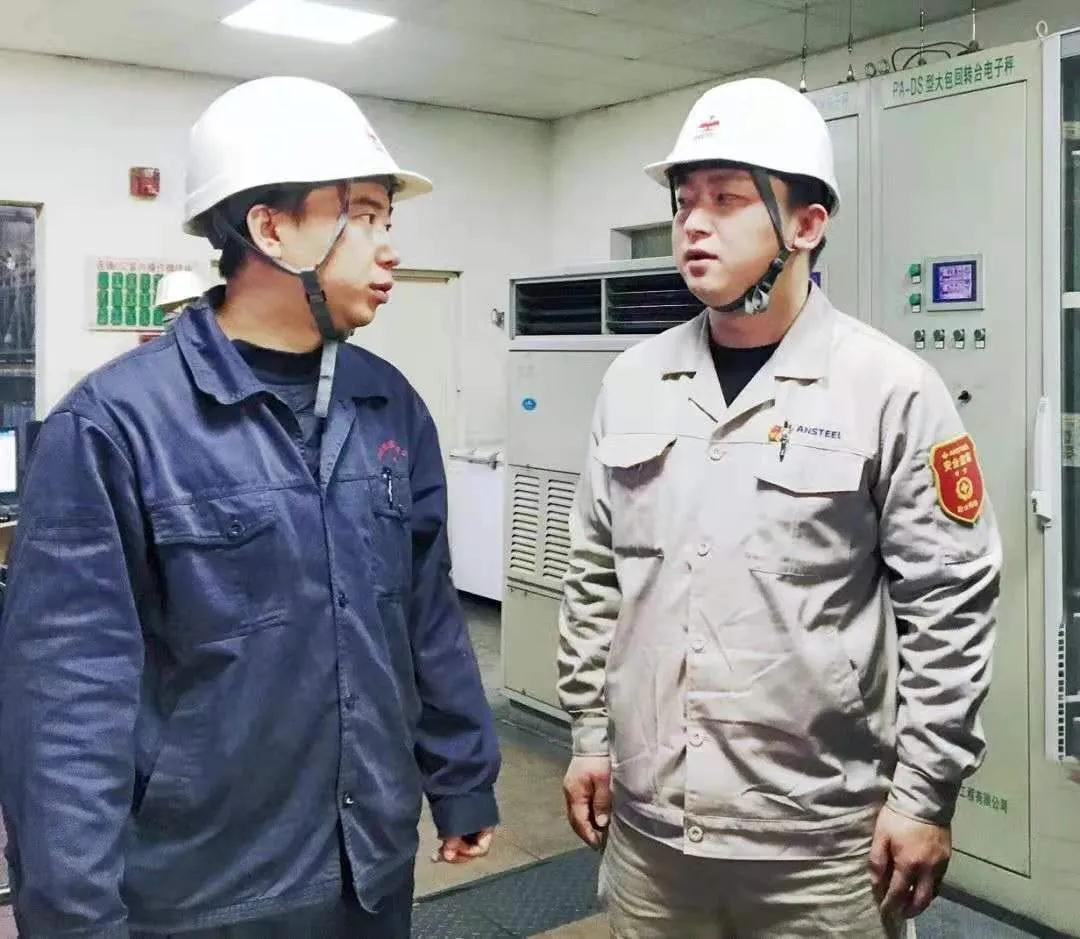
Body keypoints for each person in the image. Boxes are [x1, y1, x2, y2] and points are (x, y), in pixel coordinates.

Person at [0, 76, 500, 938]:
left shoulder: (390, 405)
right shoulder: (116, 426)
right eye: (364, 216)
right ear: (270, 229)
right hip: (199, 893)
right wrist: (74, 915)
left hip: (369, 871)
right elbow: (68, 700)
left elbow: (425, 615)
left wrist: (461, 775)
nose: (388, 250)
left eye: (388, 221)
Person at [558, 77, 1000, 938]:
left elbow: (950, 605)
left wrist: (924, 793)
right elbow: (594, 578)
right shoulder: (634, 381)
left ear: (806, 224)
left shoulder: (889, 389)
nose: (693, 222)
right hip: (653, 835)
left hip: (820, 846)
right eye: (684, 201)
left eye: (726, 199)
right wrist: (588, 734)